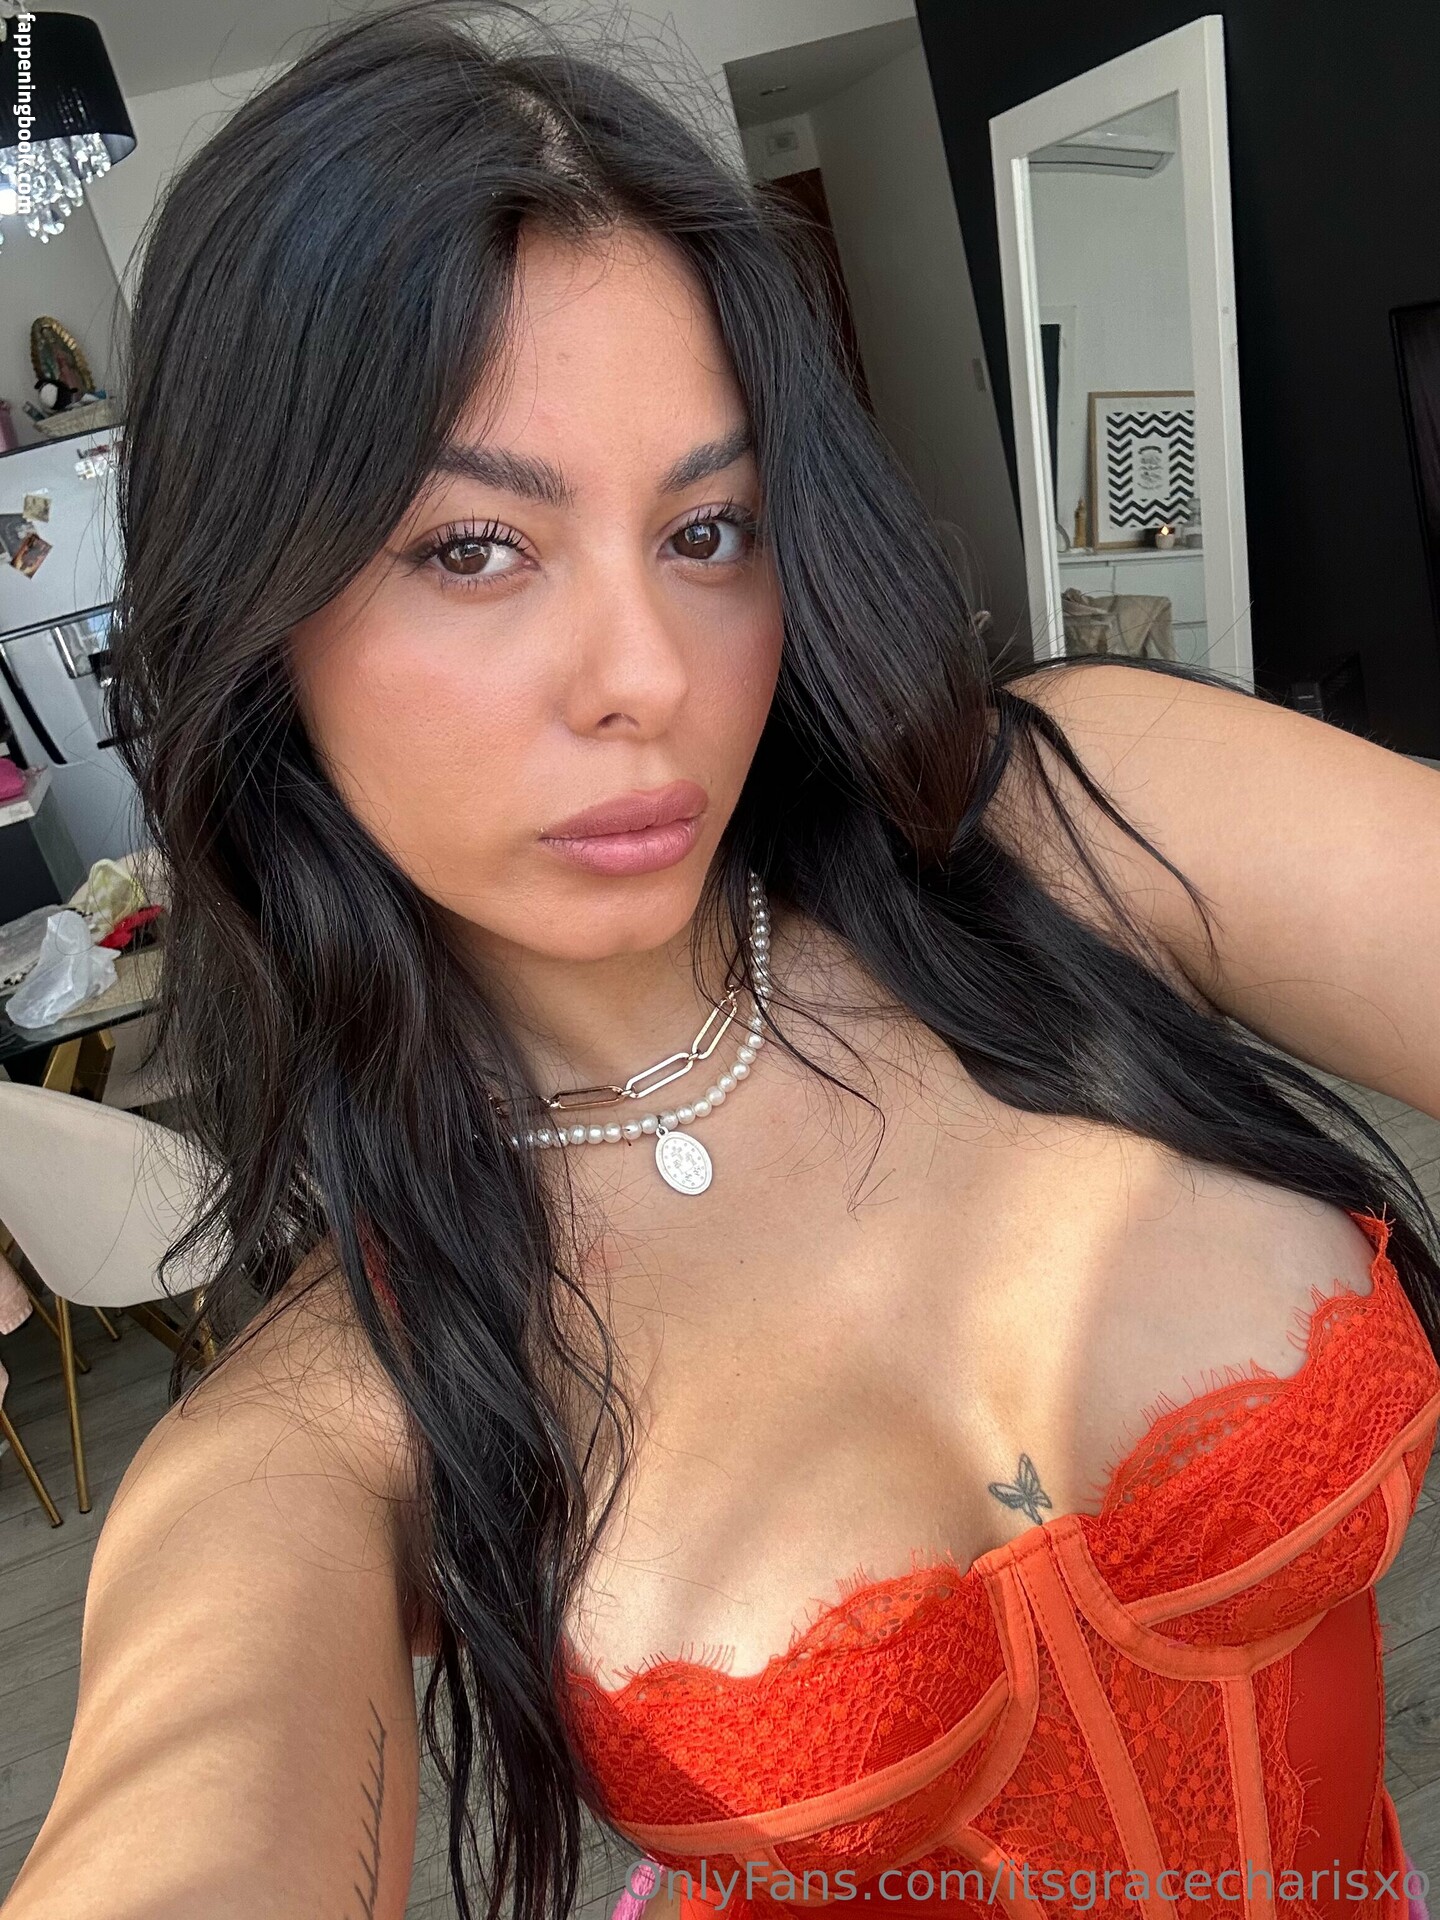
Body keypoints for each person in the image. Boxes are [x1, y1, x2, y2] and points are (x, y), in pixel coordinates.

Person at [6, 5, 1440, 1917]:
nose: (650, 677)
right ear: (254, 617)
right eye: (471, 547)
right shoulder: (349, 1408)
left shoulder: (1076, 833)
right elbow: (183, 1809)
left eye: (709, 528)